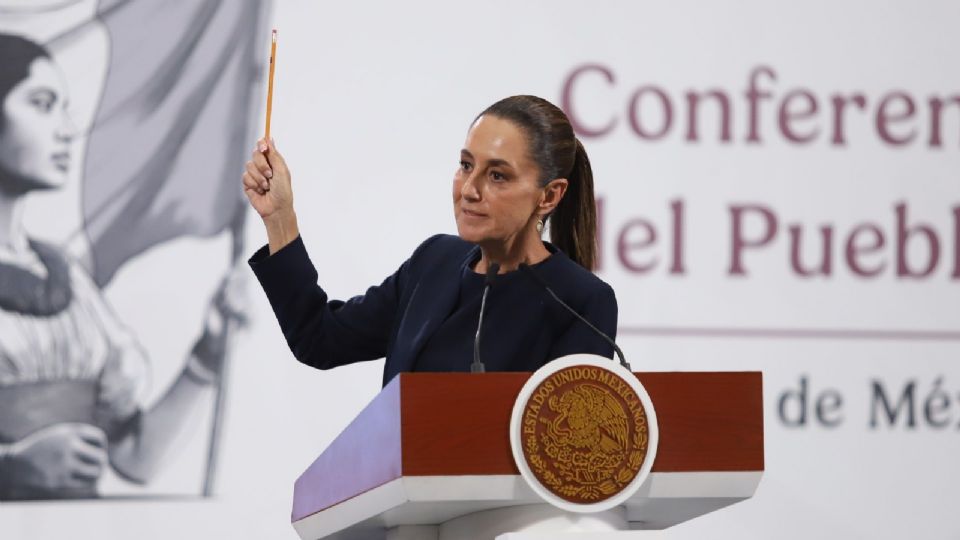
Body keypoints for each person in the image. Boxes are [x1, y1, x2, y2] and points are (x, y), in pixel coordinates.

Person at [0, 34, 241, 500]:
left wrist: (209, 352)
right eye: (42, 104)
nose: (67, 129)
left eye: (64, 107)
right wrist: (11, 468)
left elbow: (136, 458)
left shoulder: (67, 279)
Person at [244, 95, 617, 387]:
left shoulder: (580, 301)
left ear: (549, 196)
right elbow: (319, 338)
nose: (470, 190)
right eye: (466, 165)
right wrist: (280, 219)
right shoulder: (434, 261)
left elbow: (566, 449)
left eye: (498, 176)